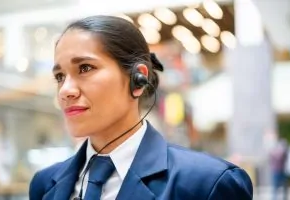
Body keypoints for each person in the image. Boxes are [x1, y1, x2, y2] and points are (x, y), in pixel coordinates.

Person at [29, 15, 253, 200]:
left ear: (138, 79)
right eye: (59, 76)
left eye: (85, 68)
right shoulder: (45, 185)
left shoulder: (207, 184)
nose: (65, 90)